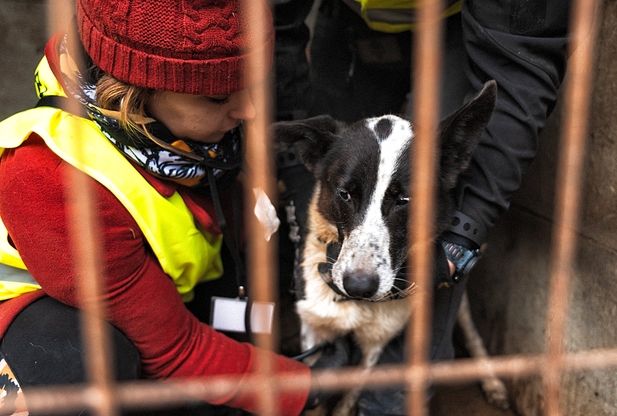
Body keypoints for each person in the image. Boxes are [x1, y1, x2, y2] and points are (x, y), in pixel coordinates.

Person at [0, 1, 350, 415]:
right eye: (218, 97)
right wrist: (306, 387)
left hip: (158, 295)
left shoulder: (176, 133)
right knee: (80, 360)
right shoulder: (51, 179)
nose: (248, 111)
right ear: (131, 96)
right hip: (37, 323)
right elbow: (174, 349)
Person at [274, 0, 570, 414]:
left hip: (463, 24)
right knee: (347, 168)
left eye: (403, 201)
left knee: (428, 299)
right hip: (351, 18)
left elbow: (521, 73)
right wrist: (300, 176)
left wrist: (459, 240)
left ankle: (389, 402)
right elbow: (271, 27)